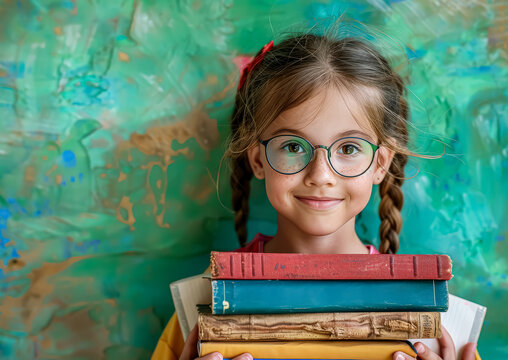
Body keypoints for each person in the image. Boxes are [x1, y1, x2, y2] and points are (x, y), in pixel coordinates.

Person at [152, 31, 480, 360]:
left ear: (380, 164)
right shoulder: (199, 312)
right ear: (257, 158)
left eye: (349, 148)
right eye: (293, 146)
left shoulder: (441, 326)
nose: (321, 175)